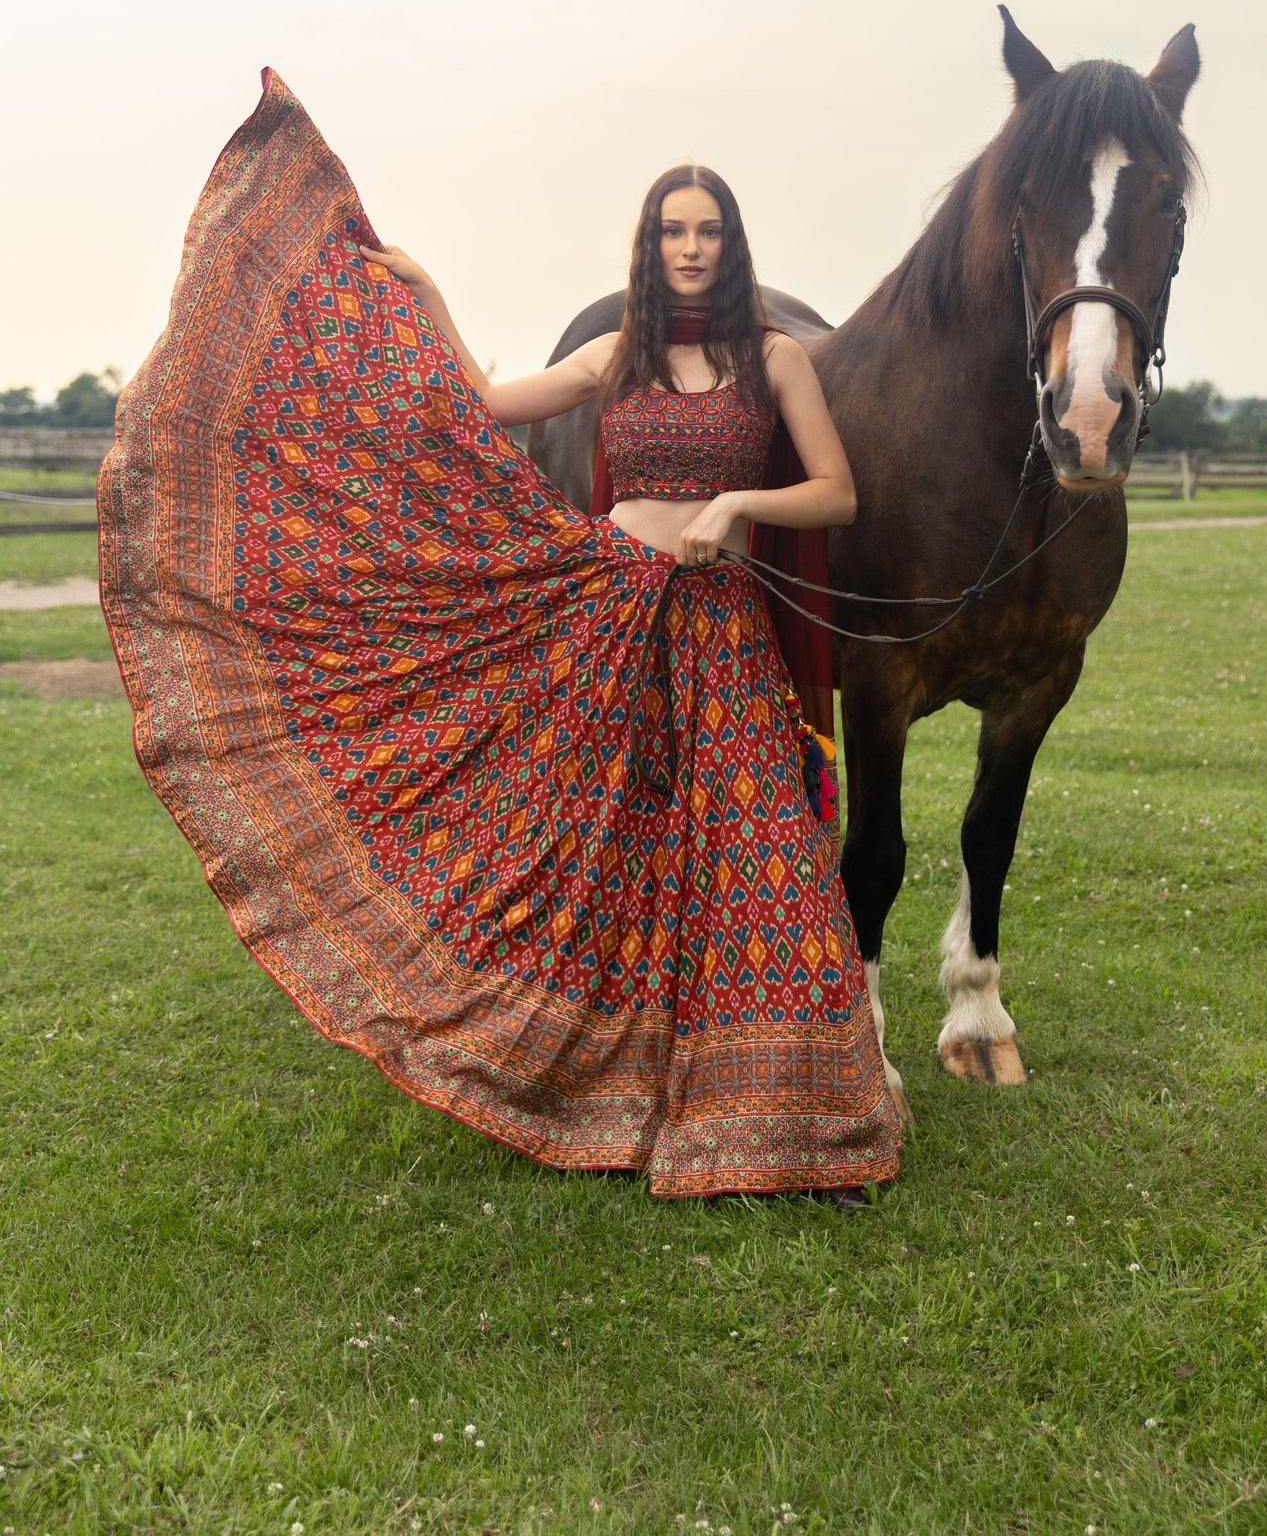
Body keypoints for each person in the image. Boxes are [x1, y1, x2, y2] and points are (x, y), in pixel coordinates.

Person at [99, 71, 901, 1201]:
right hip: (612, 611)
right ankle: (599, 1082)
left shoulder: (774, 360)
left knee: (760, 848)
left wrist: (737, 508)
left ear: (731, 244)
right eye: (671, 229)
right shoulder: (614, 353)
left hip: (721, 631)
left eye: (707, 229)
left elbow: (837, 492)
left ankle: (791, 1108)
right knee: (600, 849)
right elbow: (473, 399)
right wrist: (423, 288)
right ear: (648, 242)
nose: (689, 245)